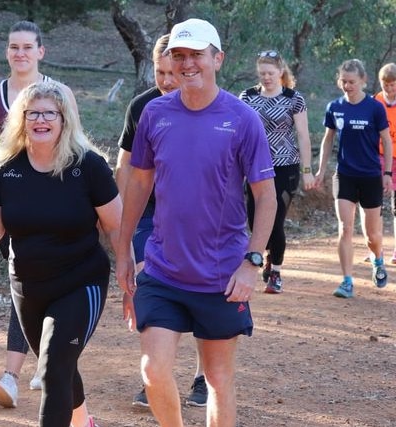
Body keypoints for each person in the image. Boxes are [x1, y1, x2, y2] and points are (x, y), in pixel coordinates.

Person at [115, 18, 277, 427]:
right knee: (153, 370)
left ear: (217, 59)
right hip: (163, 269)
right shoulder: (154, 113)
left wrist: (251, 262)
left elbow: (266, 196)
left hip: (220, 275)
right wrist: (121, 251)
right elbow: (138, 185)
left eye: (197, 55)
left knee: (218, 379)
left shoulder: (243, 119)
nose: (187, 64)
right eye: (179, 55)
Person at [0, 81, 121, 427]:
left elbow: (116, 226)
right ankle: (82, 422)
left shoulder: (88, 166)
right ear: (21, 118)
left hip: (80, 281)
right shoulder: (7, 168)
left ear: (64, 119)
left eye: (49, 114)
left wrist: (131, 273)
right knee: (57, 361)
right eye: (33, 113)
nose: (41, 120)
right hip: (28, 286)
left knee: (54, 364)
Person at [0, 20, 77, 407]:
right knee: (22, 280)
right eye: (13, 47)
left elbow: (75, 147)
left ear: (41, 51)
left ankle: (46, 363)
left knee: (47, 283)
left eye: (27, 47)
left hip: (55, 202)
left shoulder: (60, 94)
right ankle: (13, 376)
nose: (19, 53)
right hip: (12, 201)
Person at [115, 33, 207, 408]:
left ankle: (202, 376)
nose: (167, 81)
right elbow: (124, 165)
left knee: (201, 290)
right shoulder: (142, 108)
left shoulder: (204, 106)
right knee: (146, 283)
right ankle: (154, 374)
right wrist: (121, 219)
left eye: (173, 71)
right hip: (147, 211)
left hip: (194, 213)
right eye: (160, 72)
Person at [239, 50, 316, 294]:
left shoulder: (294, 99)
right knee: (255, 219)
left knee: (277, 218)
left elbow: (303, 136)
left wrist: (307, 170)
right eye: (262, 73)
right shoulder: (248, 97)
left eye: (270, 73)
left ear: (281, 72)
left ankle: (276, 272)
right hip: (255, 166)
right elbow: (239, 133)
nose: (266, 78)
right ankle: (269, 254)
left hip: (286, 166)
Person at [315, 59, 393, 298]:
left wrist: (387, 173)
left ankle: (378, 260)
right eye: (343, 81)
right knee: (344, 228)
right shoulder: (335, 107)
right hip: (345, 174)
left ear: (363, 81)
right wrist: (320, 170)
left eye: (352, 82)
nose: (347, 86)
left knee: (373, 235)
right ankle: (347, 281)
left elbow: (387, 141)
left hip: (370, 176)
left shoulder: (374, 108)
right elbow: (328, 139)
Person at [375, 63, 396, 263]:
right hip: (379, 157)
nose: (389, 89)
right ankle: (376, 249)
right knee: (375, 204)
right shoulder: (375, 102)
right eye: (385, 85)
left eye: (393, 85)